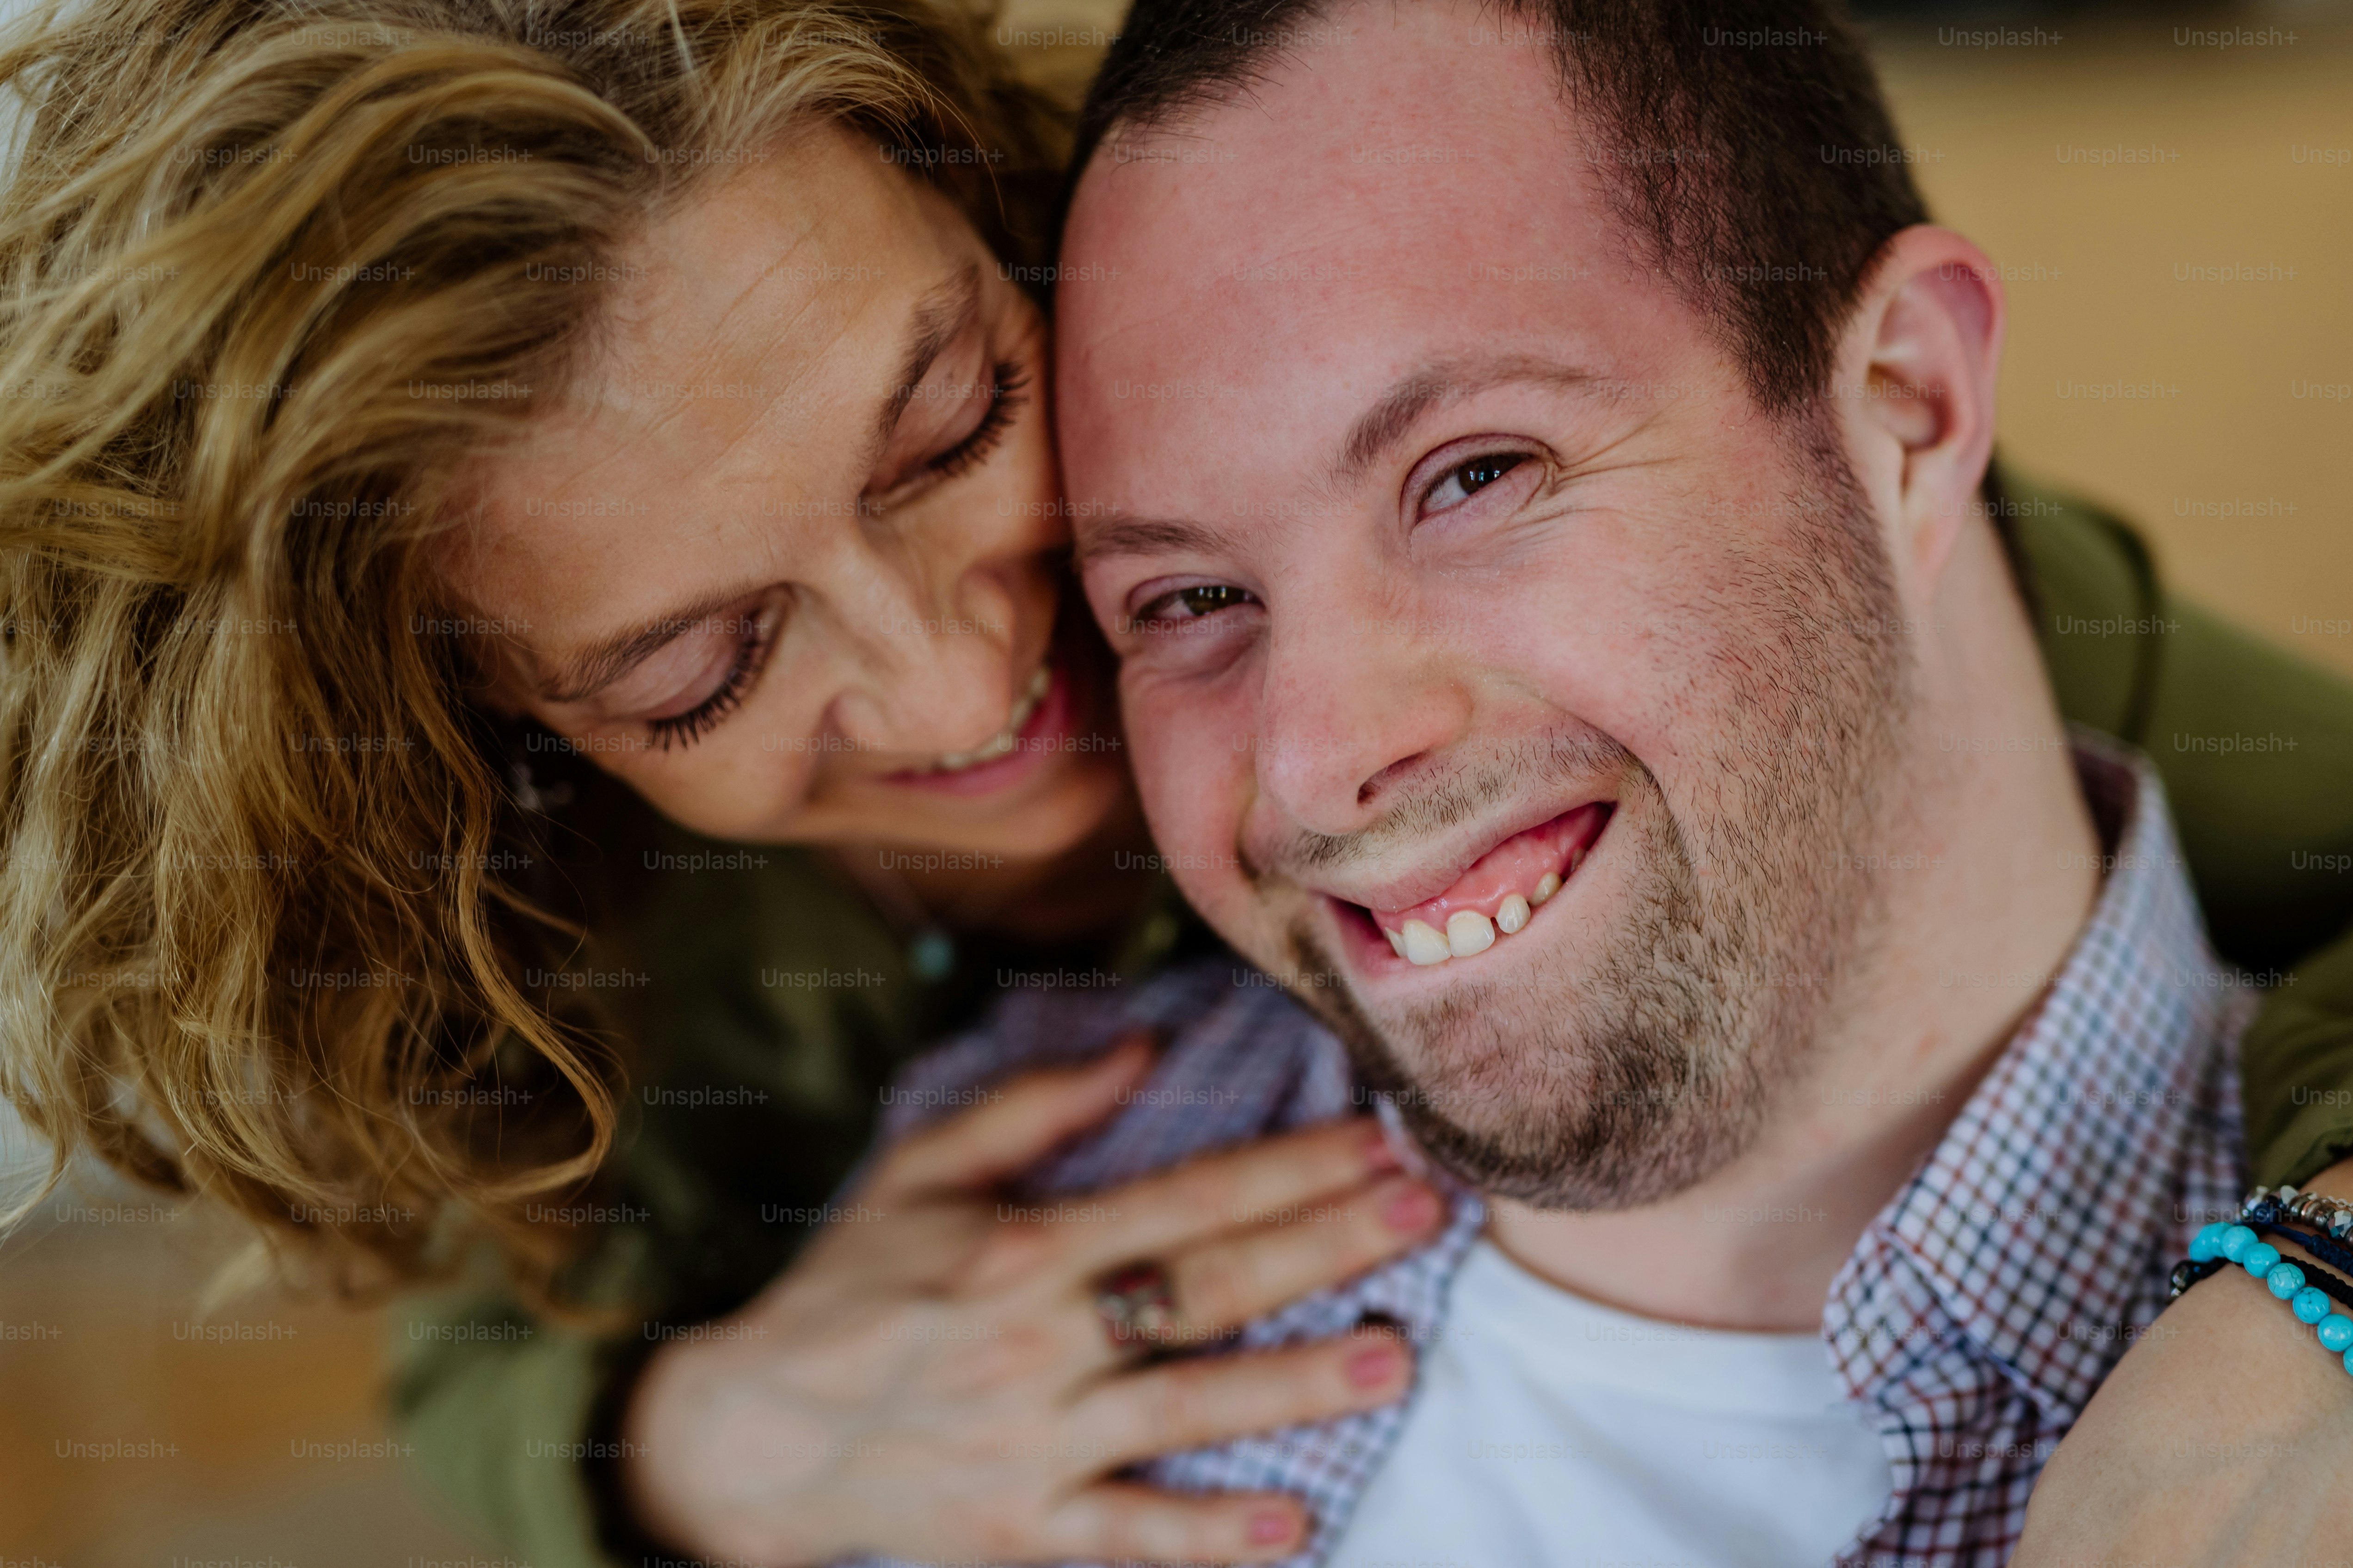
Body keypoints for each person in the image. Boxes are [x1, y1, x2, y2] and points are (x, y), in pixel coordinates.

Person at [0, 0, 2349, 1564]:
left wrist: (2299, 1300)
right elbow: (484, 1328)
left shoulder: (1907, 587)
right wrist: (699, 1445)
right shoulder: (599, 954)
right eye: (702, 663)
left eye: (949, 431)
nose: (957, 681)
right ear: (498, 739)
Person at [810, 0, 2353, 1562]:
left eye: (1477, 476)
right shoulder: (948, 1285)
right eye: (1187, 601)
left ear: (1906, 400)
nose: (1316, 761)